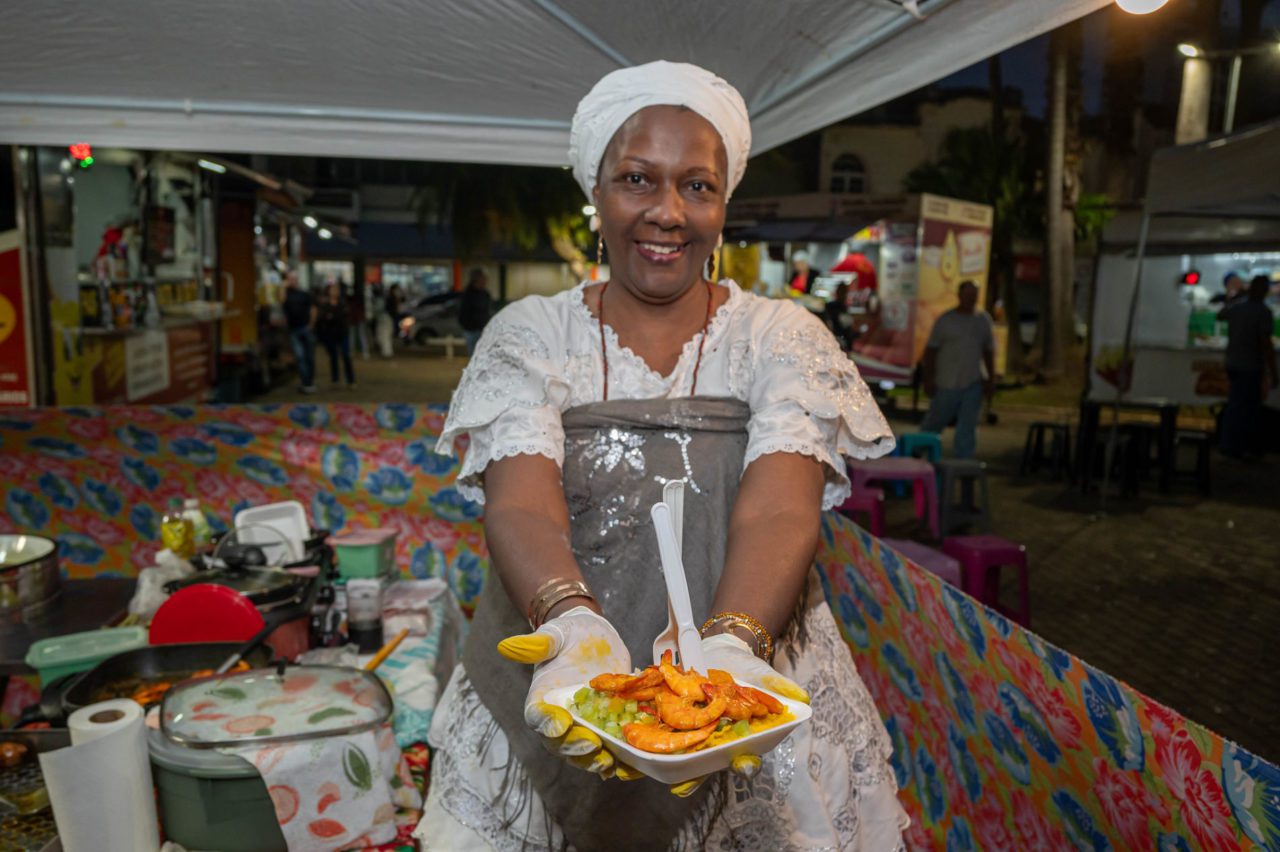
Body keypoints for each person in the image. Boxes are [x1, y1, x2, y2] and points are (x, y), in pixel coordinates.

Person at [418, 61, 907, 852]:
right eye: (638, 179)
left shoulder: (779, 338)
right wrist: (572, 625)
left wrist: (733, 646)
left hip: (749, 679)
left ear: (724, 202)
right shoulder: (531, 333)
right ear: (597, 190)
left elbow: (782, 505)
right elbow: (519, 498)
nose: (668, 212)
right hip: (548, 690)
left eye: (698, 186)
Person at [920, 280, 995, 459]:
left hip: (973, 382)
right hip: (947, 382)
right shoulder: (946, 320)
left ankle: (963, 460)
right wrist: (928, 377)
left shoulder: (983, 321)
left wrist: (991, 378)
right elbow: (931, 351)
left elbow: (988, 351)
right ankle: (918, 450)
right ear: (960, 296)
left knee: (967, 426)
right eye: (967, 295)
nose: (970, 299)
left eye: (973, 296)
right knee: (935, 422)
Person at [1218, 275, 1278, 459]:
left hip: (1233, 363)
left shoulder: (1238, 308)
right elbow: (1265, 343)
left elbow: (1220, 315)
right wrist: (1273, 370)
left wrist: (1236, 297)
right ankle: (1239, 447)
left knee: (1235, 405)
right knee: (1247, 408)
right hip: (1250, 366)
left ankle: (1230, 445)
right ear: (1265, 291)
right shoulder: (1263, 312)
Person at [281, 271, 318, 393]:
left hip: (306, 328)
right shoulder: (286, 294)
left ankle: (310, 381)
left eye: (294, 279)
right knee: (300, 356)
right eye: (290, 279)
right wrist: (282, 286)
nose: (292, 281)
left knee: (309, 356)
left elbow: (313, 309)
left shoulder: (304, 294)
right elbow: (280, 300)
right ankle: (306, 383)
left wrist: (311, 324)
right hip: (294, 330)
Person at [316, 281, 356, 388]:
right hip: (331, 335)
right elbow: (323, 319)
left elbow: (343, 318)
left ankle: (351, 380)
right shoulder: (325, 305)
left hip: (342, 333)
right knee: (333, 358)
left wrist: (332, 317)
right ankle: (335, 379)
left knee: (346, 356)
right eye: (332, 289)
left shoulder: (342, 303)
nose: (334, 292)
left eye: (336, 290)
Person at [458, 267, 493, 355]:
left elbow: (487, 311)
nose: (486, 281)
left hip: (483, 330)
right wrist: (468, 326)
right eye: (483, 278)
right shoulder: (467, 294)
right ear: (477, 279)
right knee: (474, 356)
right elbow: (462, 312)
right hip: (471, 331)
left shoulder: (485, 294)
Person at [822, 281, 856, 350]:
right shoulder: (841, 307)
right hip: (840, 340)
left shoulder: (829, 305)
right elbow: (846, 327)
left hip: (833, 337)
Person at [347, 279, 371, 359]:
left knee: (359, 336)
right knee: (355, 336)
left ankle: (364, 352)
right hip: (355, 318)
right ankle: (360, 352)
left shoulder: (358, 297)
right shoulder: (353, 297)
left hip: (358, 318)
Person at [372, 283, 395, 358]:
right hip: (385, 319)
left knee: (384, 336)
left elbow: (378, 310)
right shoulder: (384, 298)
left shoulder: (381, 299)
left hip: (385, 319)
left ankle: (387, 353)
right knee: (384, 336)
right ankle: (386, 352)